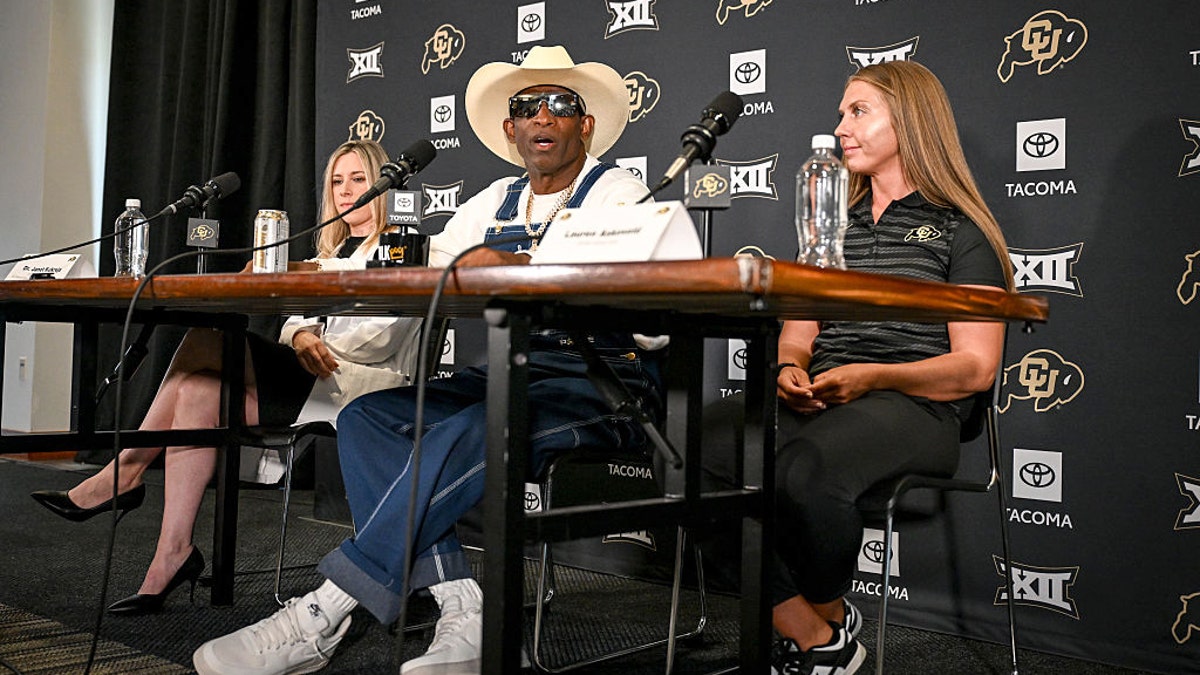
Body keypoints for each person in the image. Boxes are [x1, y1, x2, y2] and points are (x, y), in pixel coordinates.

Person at [191, 45, 661, 675]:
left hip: (601, 383)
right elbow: (419, 263)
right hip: (510, 372)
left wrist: (519, 264)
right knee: (367, 418)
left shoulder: (621, 194)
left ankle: (324, 612)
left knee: (474, 426)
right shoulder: (494, 199)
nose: (542, 117)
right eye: (527, 106)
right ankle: (464, 605)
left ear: (586, 124)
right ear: (510, 128)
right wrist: (303, 267)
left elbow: (640, 300)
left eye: (560, 104)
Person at [701, 60, 1016, 675]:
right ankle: (817, 634)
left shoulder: (962, 230)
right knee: (695, 450)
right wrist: (789, 370)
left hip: (917, 409)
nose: (841, 126)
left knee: (806, 469)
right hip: (827, 399)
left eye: (859, 111)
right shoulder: (828, 227)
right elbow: (798, 338)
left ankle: (825, 617)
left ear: (911, 122)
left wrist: (875, 376)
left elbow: (976, 369)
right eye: (842, 113)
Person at [30, 139, 424, 616]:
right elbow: (294, 321)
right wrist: (301, 335)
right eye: (337, 181)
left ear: (383, 184)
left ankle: (125, 471)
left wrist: (309, 338)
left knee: (208, 337)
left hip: (354, 384)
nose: (345, 191)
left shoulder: (406, 244)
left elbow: (381, 338)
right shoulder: (333, 248)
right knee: (197, 388)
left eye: (358, 179)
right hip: (309, 375)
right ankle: (172, 552)